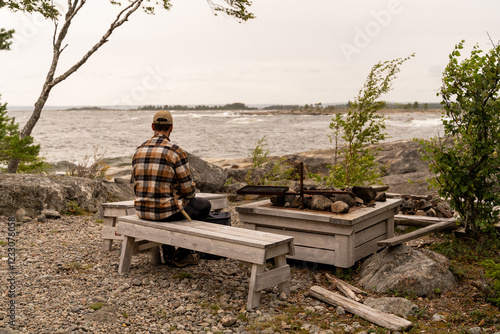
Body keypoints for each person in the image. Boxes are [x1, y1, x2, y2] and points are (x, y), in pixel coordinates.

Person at [132, 110, 211, 267]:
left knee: (167, 203)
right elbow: (189, 190)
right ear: (171, 128)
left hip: (141, 210)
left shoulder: (138, 150)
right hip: (165, 213)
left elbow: (136, 185)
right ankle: (182, 254)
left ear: (152, 126)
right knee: (204, 205)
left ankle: (168, 254)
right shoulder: (175, 151)